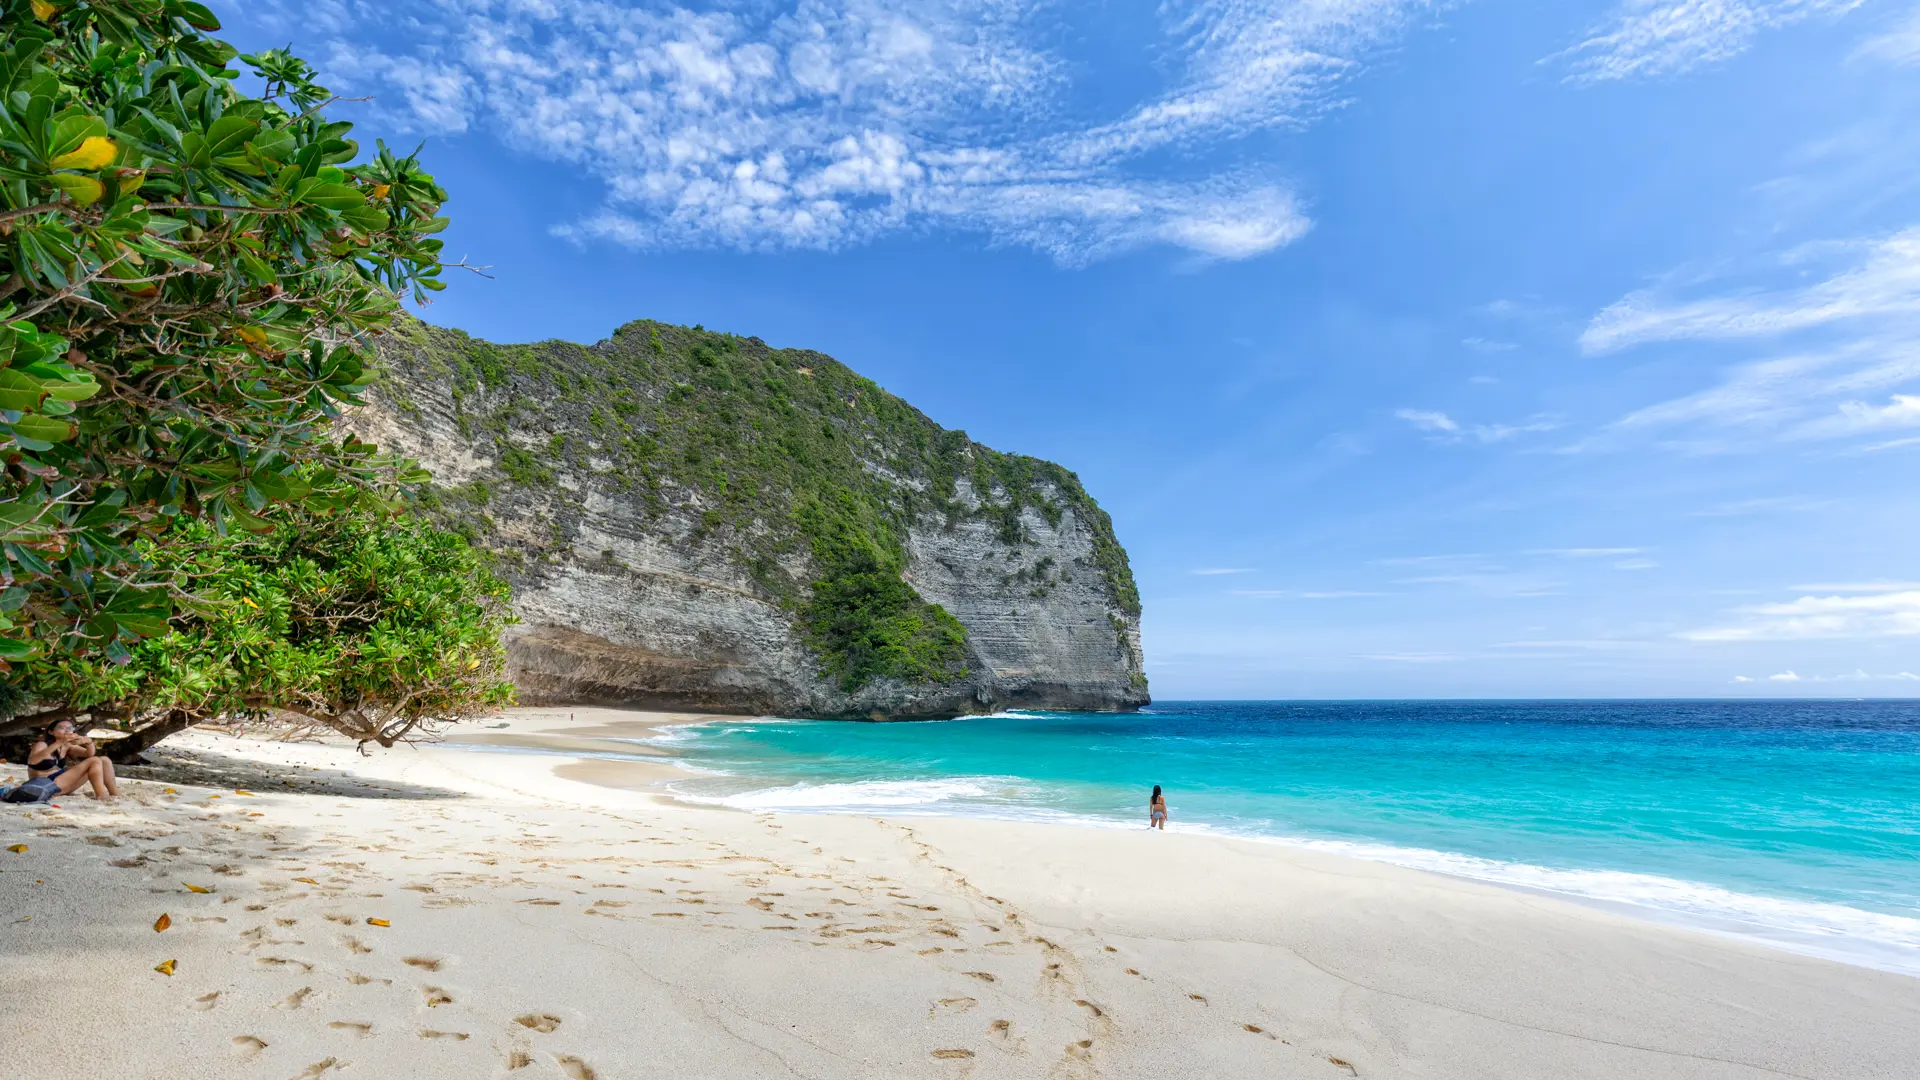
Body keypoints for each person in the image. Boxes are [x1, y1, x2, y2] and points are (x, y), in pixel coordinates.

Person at [25, 719, 118, 799]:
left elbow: (89, 754)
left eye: (70, 728)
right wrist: (60, 742)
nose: (66, 730)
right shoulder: (42, 744)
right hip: (44, 785)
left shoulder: (67, 746)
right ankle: (101, 795)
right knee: (94, 761)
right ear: (51, 732)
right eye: (62, 728)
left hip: (63, 785)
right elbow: (33, 761)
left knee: (104, 760)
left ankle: (115, 793)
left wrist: (89, 742)